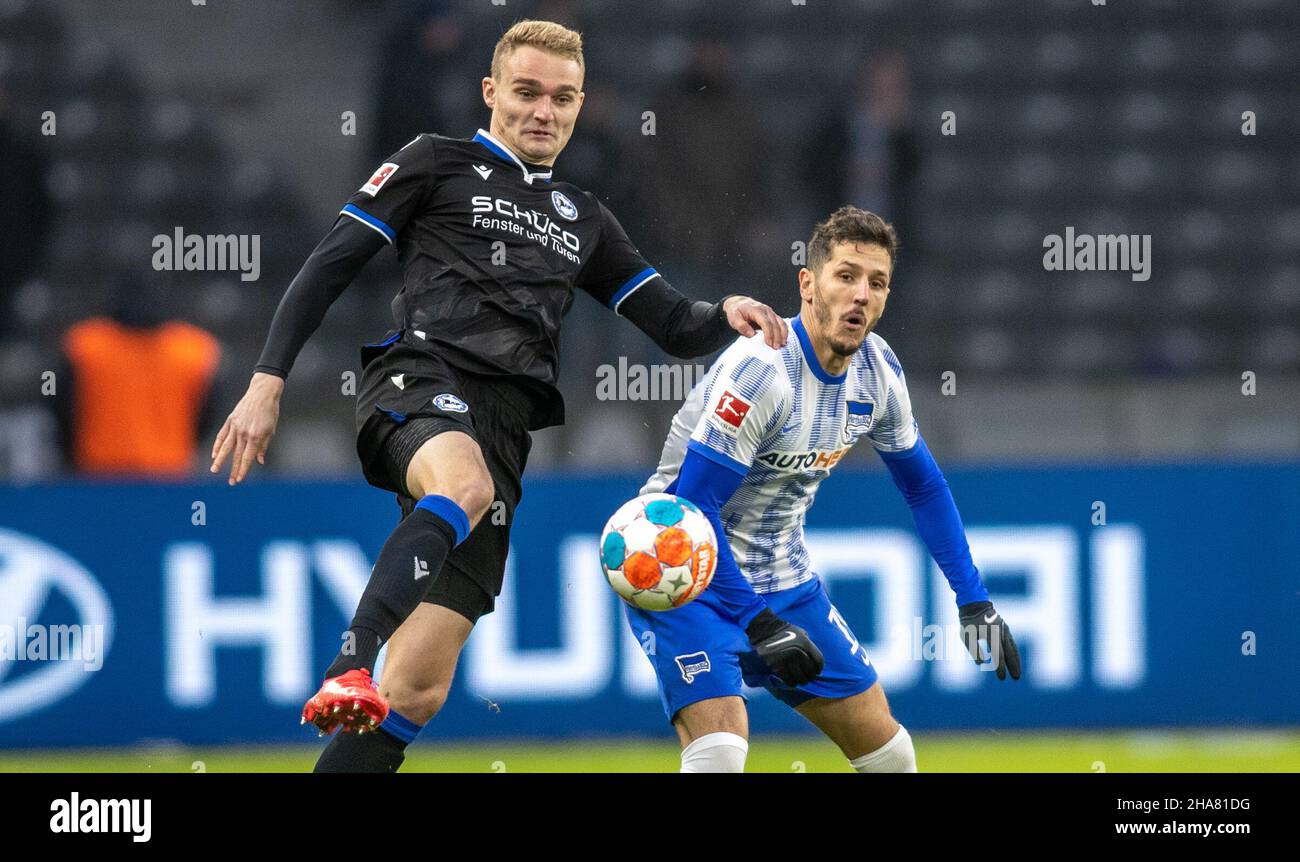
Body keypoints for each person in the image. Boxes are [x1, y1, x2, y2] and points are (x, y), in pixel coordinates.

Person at [208, 19, 793, 773]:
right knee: (463, 484)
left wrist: (725, 316)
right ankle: (345, 662)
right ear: (491, 93)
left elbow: (674, 325)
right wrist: (267, 380)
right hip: (421, 378)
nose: (543, 111)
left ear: (579, 107)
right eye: (526, 93)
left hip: (506, 431)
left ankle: (366, 694)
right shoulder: (434, 163)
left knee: (416, 690)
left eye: (562, 98)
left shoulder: (585, 221)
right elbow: (329, 265)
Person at [624, 206, 1021, 773]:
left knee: (891, 756)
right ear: (807, 285)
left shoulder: (879, 373)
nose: (862, 295)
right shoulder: (762, 370)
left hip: (783, 579)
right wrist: (759, 624)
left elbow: (923, 487)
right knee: (720, 754)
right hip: (684, 567)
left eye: (877, 283)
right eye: (846, 276)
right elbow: (695, 507)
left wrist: (973, 599)